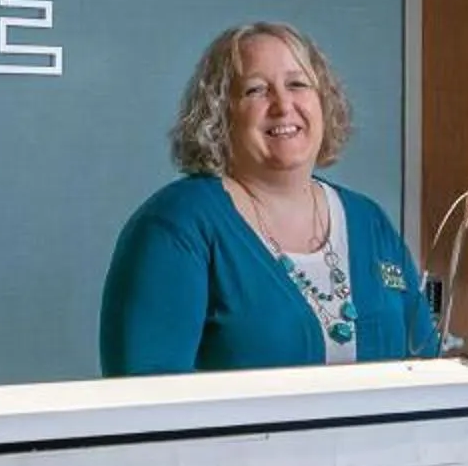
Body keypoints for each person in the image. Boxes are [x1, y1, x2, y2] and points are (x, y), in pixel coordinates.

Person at [100, 21, 439, 375]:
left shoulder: (368, 220)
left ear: (323, 102)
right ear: (219, 113)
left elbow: (424, 363)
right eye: (256, 90)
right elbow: (145, 399)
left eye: (297, 84)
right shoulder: (176, 226)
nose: (283, 105)